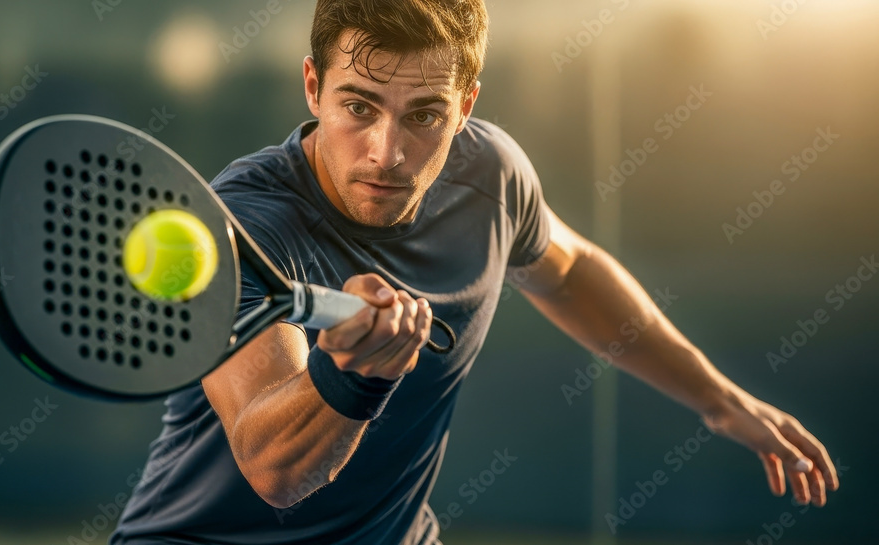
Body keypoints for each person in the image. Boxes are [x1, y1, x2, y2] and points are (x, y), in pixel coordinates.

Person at [111, 1, 839, 543]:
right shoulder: (242, 228)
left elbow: (570, 268)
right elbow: (274, 469)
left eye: (424, 114)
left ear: (467, 106)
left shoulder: (490, 176)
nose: (386, 152)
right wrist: (355, 376)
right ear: (312, 86)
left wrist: (715, 398)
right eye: (358, 107)